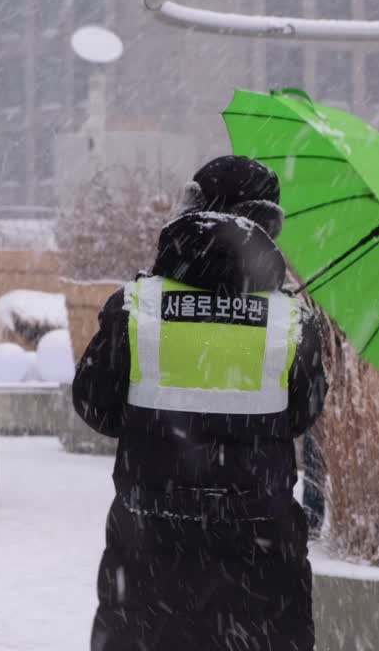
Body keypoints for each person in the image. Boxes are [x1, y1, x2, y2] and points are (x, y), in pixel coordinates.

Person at [72, 155, 328, 651]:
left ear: (190, 212)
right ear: (269, 225)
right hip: (261, 564)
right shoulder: (292, 323)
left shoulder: (136, 307)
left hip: (149, 560)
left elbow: (93, 405)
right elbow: (302, 415)